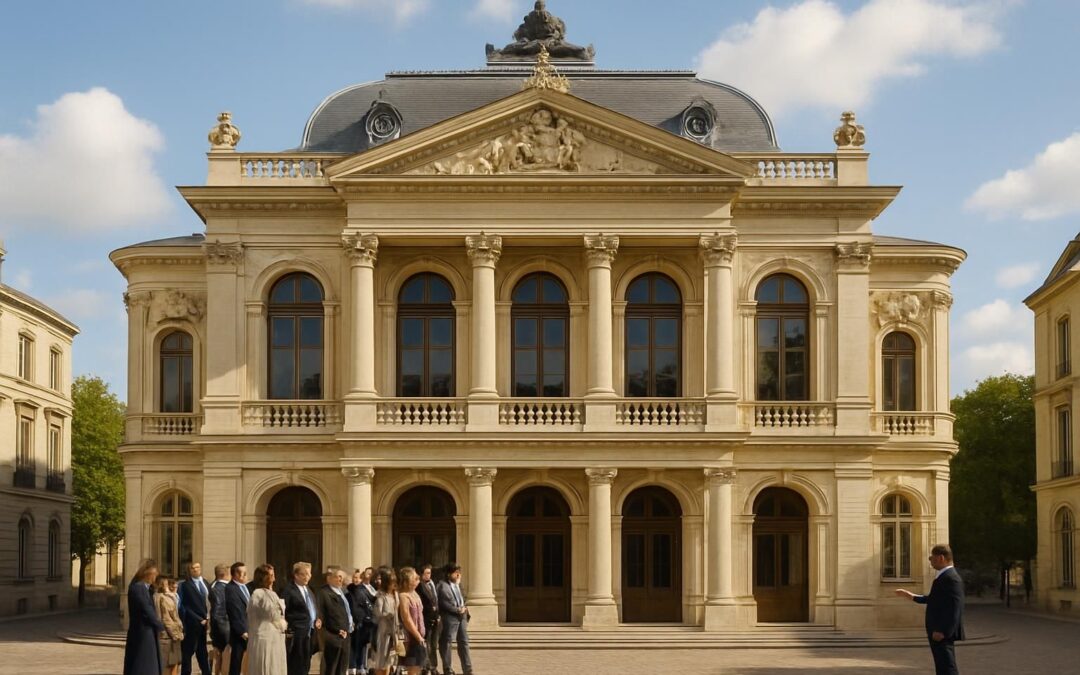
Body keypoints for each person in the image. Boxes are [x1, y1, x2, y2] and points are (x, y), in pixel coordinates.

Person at [895, 544, 966, 675]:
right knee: (942, 666)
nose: (930, 561)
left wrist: (943, 631)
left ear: (940, 558)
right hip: (937, 631)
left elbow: (955, 607)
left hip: (941, 633)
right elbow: (934, 599)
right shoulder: (944, 576)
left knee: (947, 667)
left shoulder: (951, 578)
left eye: (931, 558)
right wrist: (911, 596)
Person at [125, 559, 165, 675]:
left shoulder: (145, 588)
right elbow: (146, 609)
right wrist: (160, 626)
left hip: (146, 630)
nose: (155, 577)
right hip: (143, 632)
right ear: (148, 573)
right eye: (155, 574)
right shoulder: (138, 588)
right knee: (145, 664)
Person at [247, 564, 288, 675]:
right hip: (264, 636)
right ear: (263, 577)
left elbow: (280, 614)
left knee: (275, 665)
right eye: (271, 575)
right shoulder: (258, 594)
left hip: (276, 636)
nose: (274, 578)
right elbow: (268, 613)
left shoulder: (273, 593)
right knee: (265, 666)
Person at [283, 561, 320, 675]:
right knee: (296, 664)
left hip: (310, 631)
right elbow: (284, 611)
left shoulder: (309, 590)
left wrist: (317, 619)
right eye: (304, 574)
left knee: (306, 662)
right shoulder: (289, 590)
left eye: (309, 574)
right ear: (296, 575)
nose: (308, 577)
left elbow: (313, 608)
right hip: (297, 632)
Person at [316, 567, 354, 675]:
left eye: (342, 577)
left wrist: (350, 624)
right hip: (332, 637)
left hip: (345, 636)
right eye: (338, 577)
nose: (341, 579)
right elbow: (322, 615)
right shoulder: (323, 593)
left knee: (342, 668)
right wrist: (336, 630)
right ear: (329, 578)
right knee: (330, 669)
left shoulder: (342, 593)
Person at [437, 564, 473, 675]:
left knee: (464, 642)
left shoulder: (459, 585)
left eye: (459, 572)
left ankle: (468, 669)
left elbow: (464, 598)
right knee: (447, 643)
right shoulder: (442, 586)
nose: (458, 575)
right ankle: (448, 669)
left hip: (462, 617)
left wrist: (464, 608)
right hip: (450, 617)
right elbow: (444, 603)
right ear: (449, 574)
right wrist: (457, 610)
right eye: (455, 572)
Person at [180, 562, 212, 675]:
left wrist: (209, 618)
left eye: (197, 567)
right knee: (188, 651)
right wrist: (198, 619)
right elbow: (183, 605)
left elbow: (211, 600)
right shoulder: (184, 585)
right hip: (192, 623)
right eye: (192, 568)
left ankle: (206, 672)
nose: (195, 570)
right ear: (189, 571)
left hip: (206, 622)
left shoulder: (206, 583)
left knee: (202, 651)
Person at [368, 566, 399, 675]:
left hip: (394, 631)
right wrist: (387, 615)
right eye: (391, 582)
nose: (394, 585)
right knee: (381, 660)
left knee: (390, 660)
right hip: (383, 632)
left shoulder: (395, 595)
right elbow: (377, 614)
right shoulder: (381, 596)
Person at [398, 567, 427, 675]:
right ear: (406, 581)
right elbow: (406, 618)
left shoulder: (415, 594)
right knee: (412, 670)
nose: (417, 579)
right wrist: (418, 636)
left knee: (418, 668)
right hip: (411, 638)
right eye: (414, 578)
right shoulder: (403, 596)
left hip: (419, 636)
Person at [346, 568, 375, 675]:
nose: (356, 579)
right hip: (353, 622)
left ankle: (361, 665)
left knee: (362, 644)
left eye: (358, 577)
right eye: (354, 577)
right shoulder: (349, 593)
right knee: (353, 644)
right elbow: (352, 608)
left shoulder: (365, 590)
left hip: (363, 621)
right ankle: (352, 666)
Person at [225, 562, 251, 675]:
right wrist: (242, 631)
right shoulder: (231, 589)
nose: (246, 575)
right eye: (243, 573)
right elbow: (234, 611)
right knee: (236, 662)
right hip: (239, 632)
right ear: (236, 574)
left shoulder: (245, 587)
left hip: (250, 628)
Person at [156, 576, 185, 675]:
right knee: (170, 666)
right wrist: (177, 634)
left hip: (163, 635)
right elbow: (167, 619)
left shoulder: (156, 596)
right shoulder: (164, 598)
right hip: (168, 636)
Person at [416, 565, 441, 675]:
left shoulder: (432, 585)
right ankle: (426, 667)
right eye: (426, 573)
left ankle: (433, 666)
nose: (428, 575)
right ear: (421, 574)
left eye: (429, 573)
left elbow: (435, 601)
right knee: (427, 644)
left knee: (434, 645)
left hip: (435, 619)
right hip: (426, 618)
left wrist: (438, 614)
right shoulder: (419, 586)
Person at [208, 564, 232, 675]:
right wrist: (226, 633)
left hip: (221, 628)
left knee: (220, 658)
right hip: (224, 629)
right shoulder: (219, 588)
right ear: (225, 574)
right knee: (224, 658)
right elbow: (218, 613)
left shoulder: (215, 587)